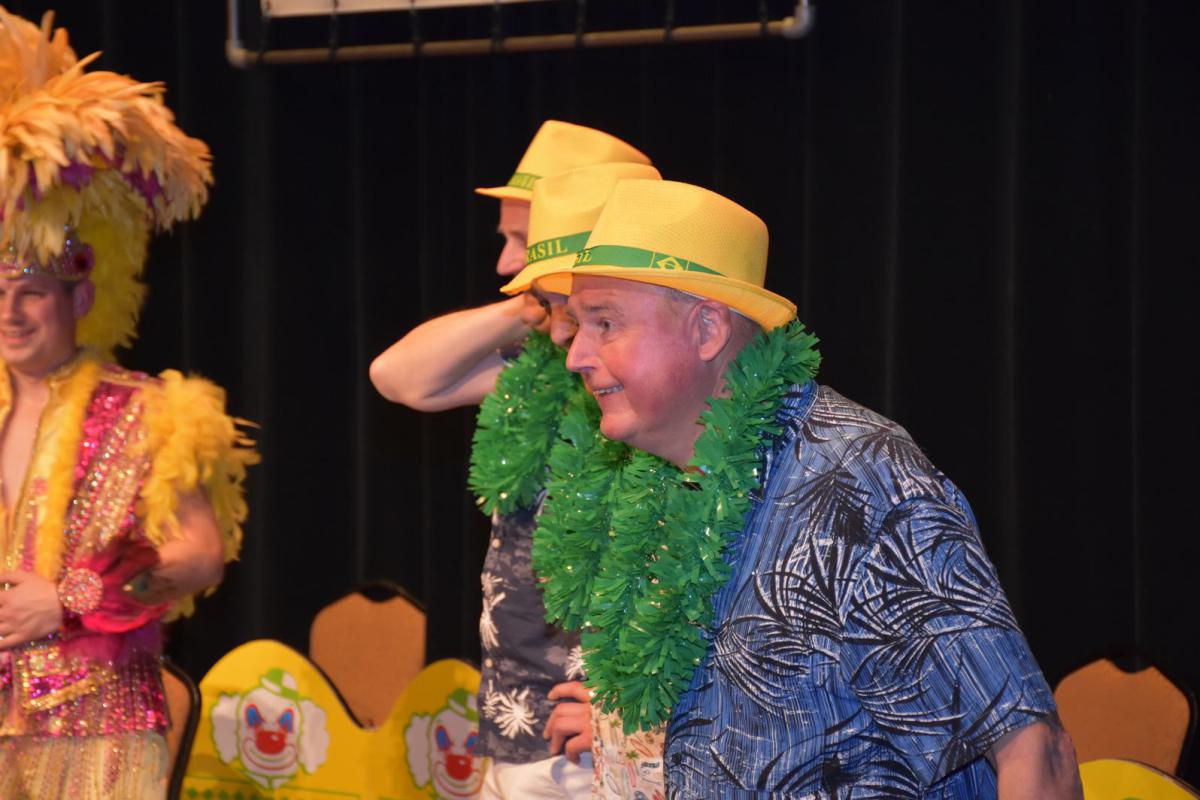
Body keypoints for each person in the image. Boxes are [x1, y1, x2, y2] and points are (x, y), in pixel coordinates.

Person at [533, 179, 1082, 798]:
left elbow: (1035, 750)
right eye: (578, 324)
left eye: (605, 323)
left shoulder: (858, 482)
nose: (576, 355)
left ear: (708, 328)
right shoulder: (671, 485)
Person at [0, 9, 255, 798]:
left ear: (79, 297)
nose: (10, 313)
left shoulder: (150, 411)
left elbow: (199, 555)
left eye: (31, 292)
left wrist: (68, 600)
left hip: (101, 732)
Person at [369, 122, 652, 799]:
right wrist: (534, 303)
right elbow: (399, 378)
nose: (504, 264)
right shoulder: (539, 365)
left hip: (609, 734)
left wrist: (627, 719)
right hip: (519, 720)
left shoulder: (648, 383)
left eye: (523, 242)